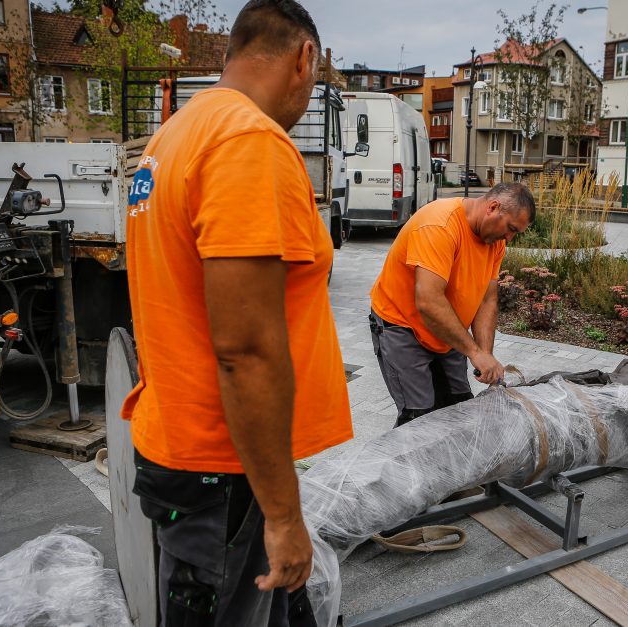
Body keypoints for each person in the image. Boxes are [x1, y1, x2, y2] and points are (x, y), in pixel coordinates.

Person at [121, 1, 352, 625]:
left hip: (185, 447)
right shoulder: (248, 140)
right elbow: (245, 348)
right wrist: (282, 515)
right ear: (305, 58)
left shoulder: (175, 135)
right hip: (224, 469)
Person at [369, 183, 536, 428]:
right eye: (510, 228)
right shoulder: (440, 225)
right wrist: (475, 352)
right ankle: (403, 465)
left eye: (516, 233)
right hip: (403, 327)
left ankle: (448, 465)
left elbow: (487, 299)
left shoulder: (495, 242)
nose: (509, 238)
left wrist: (485, 353)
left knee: (459, 407)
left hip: (446, 328)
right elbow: (428, 300)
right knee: (419, 419)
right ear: (492, 207)